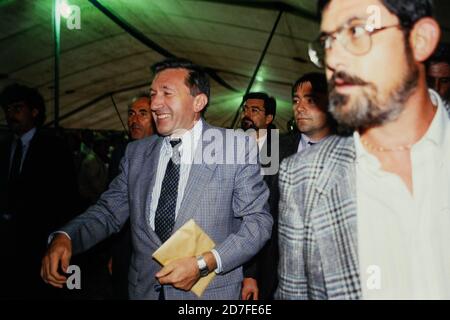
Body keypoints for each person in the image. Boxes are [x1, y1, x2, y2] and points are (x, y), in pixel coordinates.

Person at [41, 58, 273, 300]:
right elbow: (109, 212)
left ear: (198, 101)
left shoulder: (234, 147)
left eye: (166, 93)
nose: (155, 103)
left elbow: (258, 222)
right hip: (144, 291)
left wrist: (204, 263)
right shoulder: (137, 153)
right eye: (153, 94)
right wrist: (66, 237)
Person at [276, 0, 450, 299]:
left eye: (357, 31)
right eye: (328, 41)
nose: (335, 60)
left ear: (420, 40)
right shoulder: (303, 176)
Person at [0, 83, 79, 299]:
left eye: (17, 108)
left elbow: (66, 197)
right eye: (7, 110)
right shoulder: (5, 147)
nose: (10, 115)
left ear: (34, 112)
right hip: (8, 245)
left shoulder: (53, 147)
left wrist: (59, 239)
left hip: (40, 242)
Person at [108, 93, 155, 299]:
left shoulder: (169, 153)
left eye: (142, 114)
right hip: (124, 246)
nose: (134, 120)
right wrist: (113, 252)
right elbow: (111, 204)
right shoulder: (120, 153)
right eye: (131, 114)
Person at [239, 92, 278, 300]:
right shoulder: (230, 146)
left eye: (255, 110)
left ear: (269, 118)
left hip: (270, 249)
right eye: (245, 109)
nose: (247, 114)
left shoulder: (282, 150)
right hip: (234, 243)